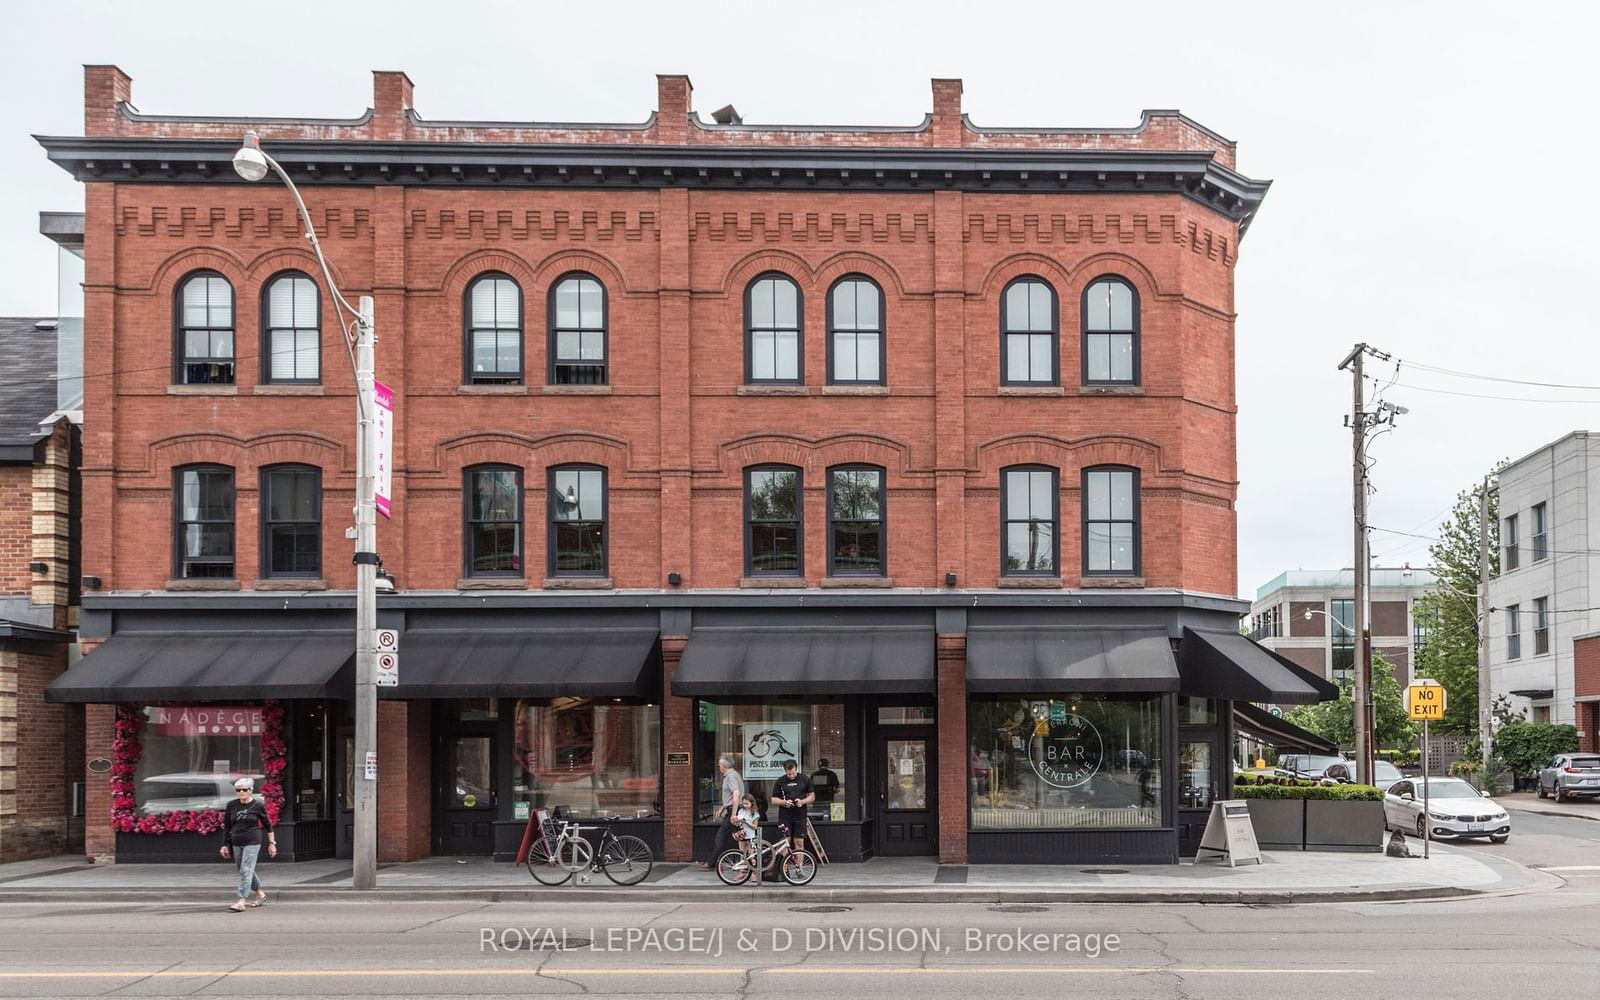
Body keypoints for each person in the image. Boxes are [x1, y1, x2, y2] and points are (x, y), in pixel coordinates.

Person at [219, 777, 275, 912]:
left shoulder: (257, 805)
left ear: (250, 790)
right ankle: (260, 894)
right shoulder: (231, 805)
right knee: (245, 869)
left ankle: (241, 900)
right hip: (236, 841)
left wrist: (272, 843)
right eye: (238, 790)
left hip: (253, 840)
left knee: (246, 869)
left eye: (245, 790)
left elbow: (268, 825)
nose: (241, 792)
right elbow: (227, 826)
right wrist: (225, 845)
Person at [698, 754, 744, 871]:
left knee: (721, 837)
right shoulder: (734, 775)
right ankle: (747, 862)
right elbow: (731, 795)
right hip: (733, 809)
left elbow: (736, 794)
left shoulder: (731, 777)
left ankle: (712, 863)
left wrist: (733, 814)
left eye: (719, 765)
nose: (719, 767)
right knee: (742, 838)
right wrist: (723, 807)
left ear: (724, 766)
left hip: (734, 811)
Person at [771, 759, 815, 854]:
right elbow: (773, 800)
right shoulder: (780, 781)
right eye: (789, 774)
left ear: (796, 769)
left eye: (793, 773)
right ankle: (784, 867)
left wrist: (802, 802)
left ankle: (799, 867)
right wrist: (784, 802)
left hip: (800, 815)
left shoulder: (804, 779)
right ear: (785, 771)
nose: (791, 776)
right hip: (785, 816)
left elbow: (812, 796)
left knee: (799, 842)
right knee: (784, 842)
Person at [733, 792, 762, 885]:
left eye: (747, 804)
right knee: (742, 854)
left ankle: (753, 873)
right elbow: (737, 824)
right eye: (743, 803)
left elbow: (755, 827)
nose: (745, 805)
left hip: (751, 836)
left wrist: (745, 821)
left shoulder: (755, 814)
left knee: (751, 855)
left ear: (751, 803)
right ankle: (741, 873)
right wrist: (737, 821)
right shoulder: (741, 811)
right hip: (742, 835)